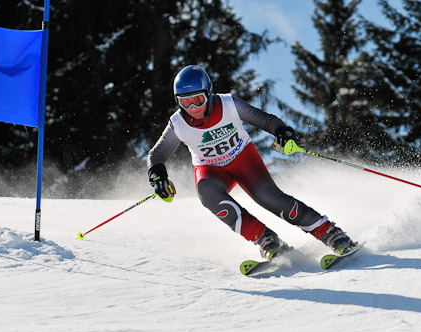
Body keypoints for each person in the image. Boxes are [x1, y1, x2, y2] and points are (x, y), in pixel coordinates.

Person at [147, 65, 357, 260]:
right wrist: (157, 176)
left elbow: (266, 120)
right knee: (206, 193)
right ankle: (266, 239)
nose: (192, 107)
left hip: (242, 158)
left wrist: (282, 132)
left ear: (208, 95)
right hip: (210, 169)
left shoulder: (229, 105)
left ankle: (330, 233)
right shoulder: (178, 124)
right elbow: (156, 155)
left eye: (198, 100)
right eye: (185, 102)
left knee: (268, 197)